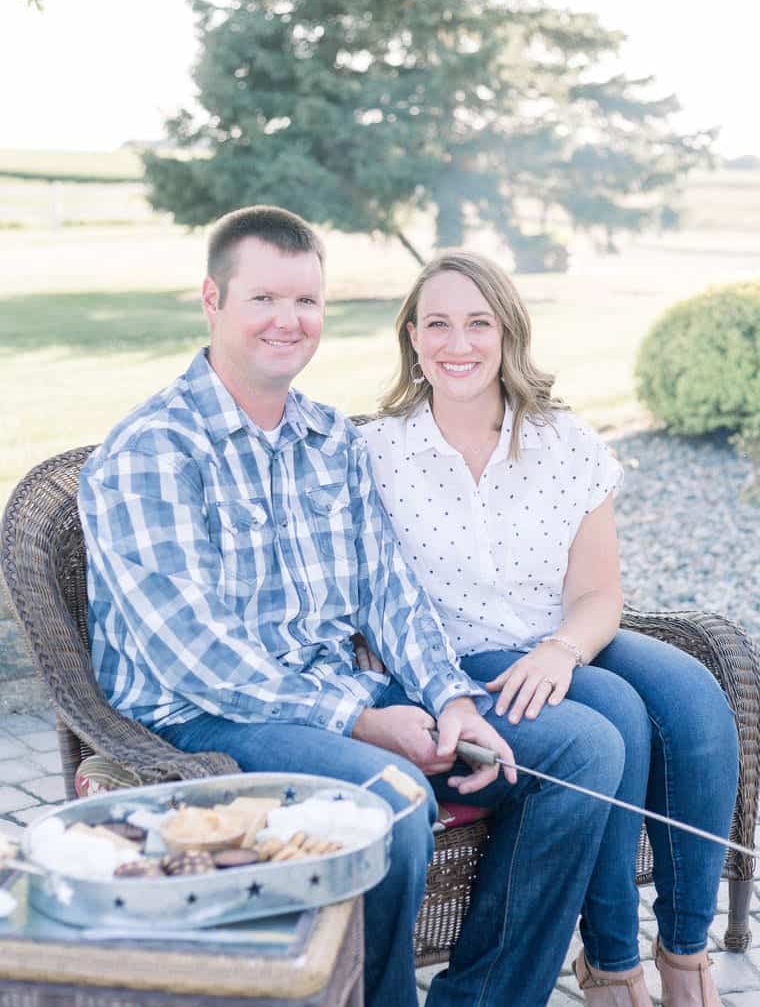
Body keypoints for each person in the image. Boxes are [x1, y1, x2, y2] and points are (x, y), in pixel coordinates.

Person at [80, 207, 624, 1007]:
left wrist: (450, 697)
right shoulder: (152, 453)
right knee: (392, 803)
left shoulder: (331, 441)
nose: (287, 321)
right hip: (202, 716)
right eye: (263, 299)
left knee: (581, 752)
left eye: (306, 302)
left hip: (336, 694)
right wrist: (361, 720)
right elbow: (193, 656)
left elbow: (388, 590)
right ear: (212, 300)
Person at [361, 249, 739, 1007]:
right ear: (411, 337)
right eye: (437, 324)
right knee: (620, 718)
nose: (458, 343)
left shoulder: (564, 442)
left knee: (695, 697)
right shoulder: (374, 452)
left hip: (562, 637)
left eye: (479, 323)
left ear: (509, 333)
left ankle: (686, 958)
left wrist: (565, 649)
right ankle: (610, 966)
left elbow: (601, 592)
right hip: (452, 662)